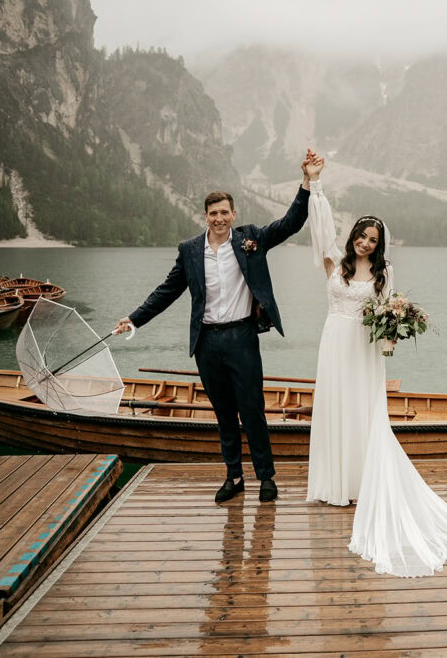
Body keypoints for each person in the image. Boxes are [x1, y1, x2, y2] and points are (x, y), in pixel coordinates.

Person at [304, 155, 447, 577]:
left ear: (380, 245)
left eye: (373, 239)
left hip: (363, 350)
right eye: (361, 236)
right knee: (334, 407)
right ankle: (334, 486)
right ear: (353, 237)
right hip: (333, 343)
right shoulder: (333, 262)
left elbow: (385, 313)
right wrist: (315, 185)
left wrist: (392, 334)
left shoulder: (384, 273)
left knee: (363, 411)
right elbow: (319, 225)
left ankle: (362, 483)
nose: (365, 243)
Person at [114, 151, 320, 503]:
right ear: (205, 217)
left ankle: (266, 478)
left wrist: (307, 182)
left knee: (252, 409)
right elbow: (167, 290)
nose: (220, 218)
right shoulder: (191, 250)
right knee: (224, 413)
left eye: (225, 212)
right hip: (207, 343)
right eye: (214, 213)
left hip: (242, 338)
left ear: (233, 214)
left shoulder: (250, 240)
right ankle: (234, 476)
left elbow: (290, 223)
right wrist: (135, 318)